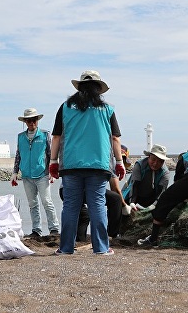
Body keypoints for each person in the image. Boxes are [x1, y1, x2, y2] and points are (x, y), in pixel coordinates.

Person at [50, 70, 125, 255]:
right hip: (98, 165)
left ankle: (66, 248)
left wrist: (53, 161)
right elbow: (115, 139)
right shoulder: (107, 110)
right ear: (99, 89)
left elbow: (56, 136)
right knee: (97, 204)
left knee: (70, 206)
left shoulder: (66, 107)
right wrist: (119, 162)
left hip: (71, 165)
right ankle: (101, 248)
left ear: (79, 88)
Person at [11, 108, 59, 237]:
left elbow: (50, 153)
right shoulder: (20, 137)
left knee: (47, 201)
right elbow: (18, 154)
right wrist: (15, 172)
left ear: (37, 121)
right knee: (32, 204)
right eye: (28, 120)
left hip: (42, 174)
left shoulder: (45, 135)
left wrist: (52, 170)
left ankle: (54, 228)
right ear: (25, 122)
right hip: (26, 175)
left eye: (34, 120)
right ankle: (36, 230)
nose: (31, 122)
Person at [122, 144, 169, 209]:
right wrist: (132, 202)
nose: (155, 164)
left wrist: (153, 205)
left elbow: (161, 192)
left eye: (160, 161)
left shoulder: (165, 173)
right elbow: (135, 185)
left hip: (151, 199)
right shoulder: (139, 165)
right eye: (153, 159)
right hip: (131, 195)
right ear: (148, 157)